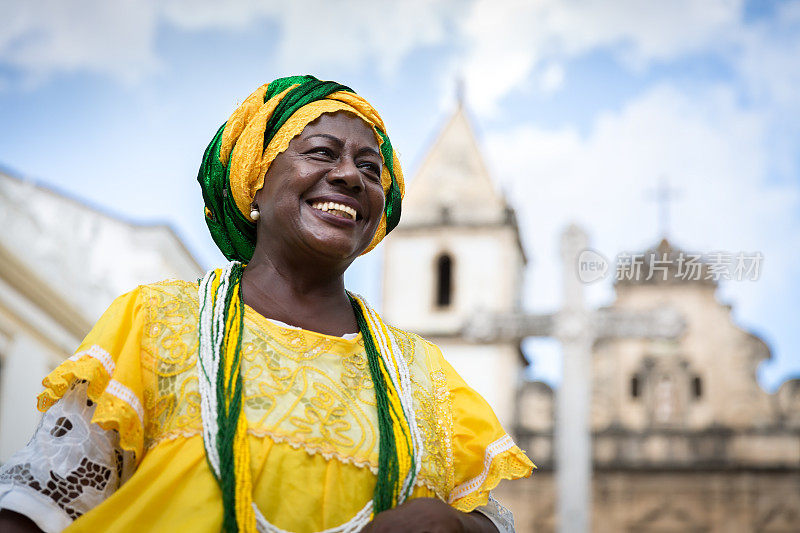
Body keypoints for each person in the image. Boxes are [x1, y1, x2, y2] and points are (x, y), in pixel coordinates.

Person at [0, 75, 533, 533]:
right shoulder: (157, 322)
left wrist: (454, 524)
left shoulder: (422, 377)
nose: (350, 176)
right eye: (322, 153)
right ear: (253, 184)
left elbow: (491, 518)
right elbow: (34, 508)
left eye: (371, 170)